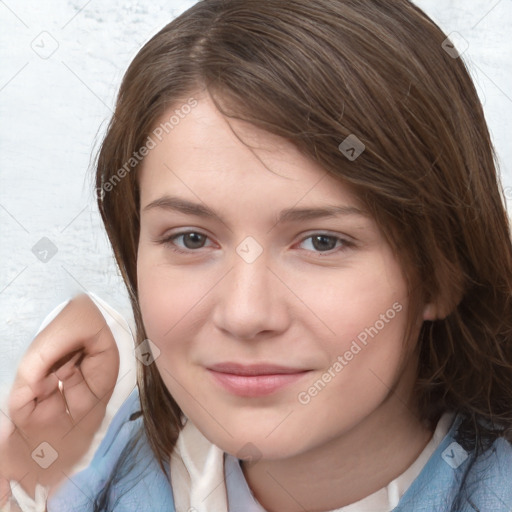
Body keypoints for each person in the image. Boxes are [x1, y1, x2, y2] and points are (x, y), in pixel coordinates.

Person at [1, 0, 512, 510]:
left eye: (322, 242)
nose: (245, 315)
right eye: (191, 239)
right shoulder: (79, 453)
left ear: (443, 273)